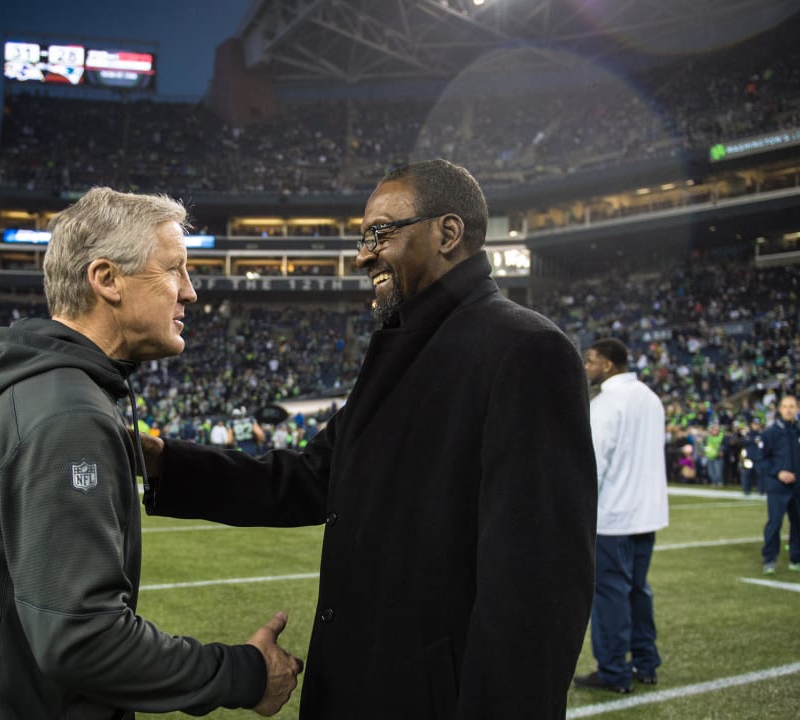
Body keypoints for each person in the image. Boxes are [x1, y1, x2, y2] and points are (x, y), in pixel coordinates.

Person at [140, 159, 598, 718]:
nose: (363, 254)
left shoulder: (525, 350)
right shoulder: (403, 347)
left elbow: (538, 590)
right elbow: (310, 479)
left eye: (380, 232)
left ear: (447, 233)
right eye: (363, 237)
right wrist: (165, 462)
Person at [0, 187, 302, 719]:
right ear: (106, 279)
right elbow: (84, 641)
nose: (190, 292)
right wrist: (243, 673)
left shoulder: (39, 392)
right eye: (174, 270)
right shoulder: (67, 415)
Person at [574, 338, 669, 694]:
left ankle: (613, 671)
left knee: (611, 594)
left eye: (591, 361)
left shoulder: (607, 404)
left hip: (614, 516)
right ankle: (645, 663)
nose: (586, 367)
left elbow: (593, 466)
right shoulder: (650, 398)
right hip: (647, 514)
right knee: (638, 591)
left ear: (609, 365)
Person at [757, 395, 800, 574]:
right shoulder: (770, 433)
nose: (788, 409)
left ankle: (798, 559)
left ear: (798, 409)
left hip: (798, 487)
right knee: (775, 523)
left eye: (792, 406)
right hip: (777, 487)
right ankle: (769, 560)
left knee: (799, 522)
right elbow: (761, 459)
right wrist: (778, 472)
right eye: (785, 406)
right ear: (780, 409)